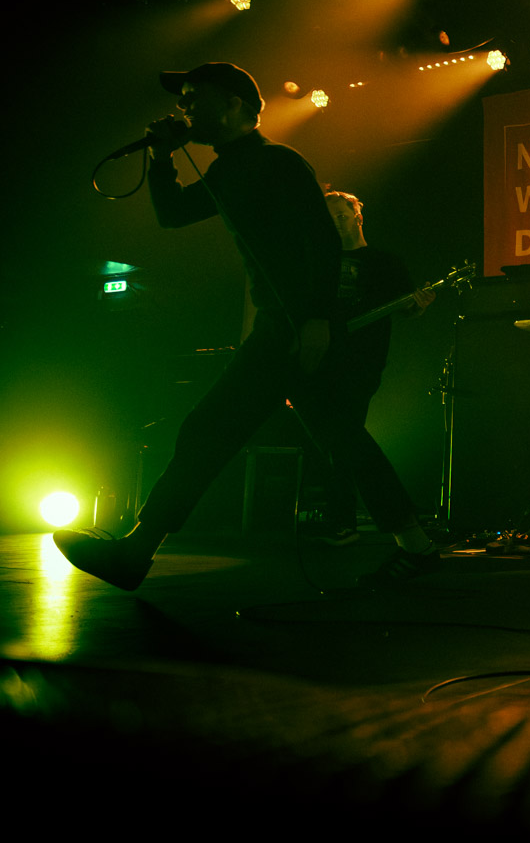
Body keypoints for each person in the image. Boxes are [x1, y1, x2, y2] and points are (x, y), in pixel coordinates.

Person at [53, 63, 442, 590]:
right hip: (284, 324)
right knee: (340, 439)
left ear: (234, 103)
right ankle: (417, 548)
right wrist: (163, 158)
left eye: (195, 96)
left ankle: (136, 552)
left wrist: (315, 319)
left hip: (289, 327)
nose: (184, 106)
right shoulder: (228, 169)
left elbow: (321, 241)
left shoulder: (279, 162)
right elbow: (174, 214)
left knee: (213, 430)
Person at [308, 190, 436, 546]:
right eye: (329, 217)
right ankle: (342, 519)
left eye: (341, 215)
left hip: (362, 361)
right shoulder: (319, 260)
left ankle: (344, 519)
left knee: (345, 431)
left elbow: (408, 307)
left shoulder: (384, 262)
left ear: (358, 217)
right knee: (332, 436)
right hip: (320, 357)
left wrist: (421, 303)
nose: (336, 222)